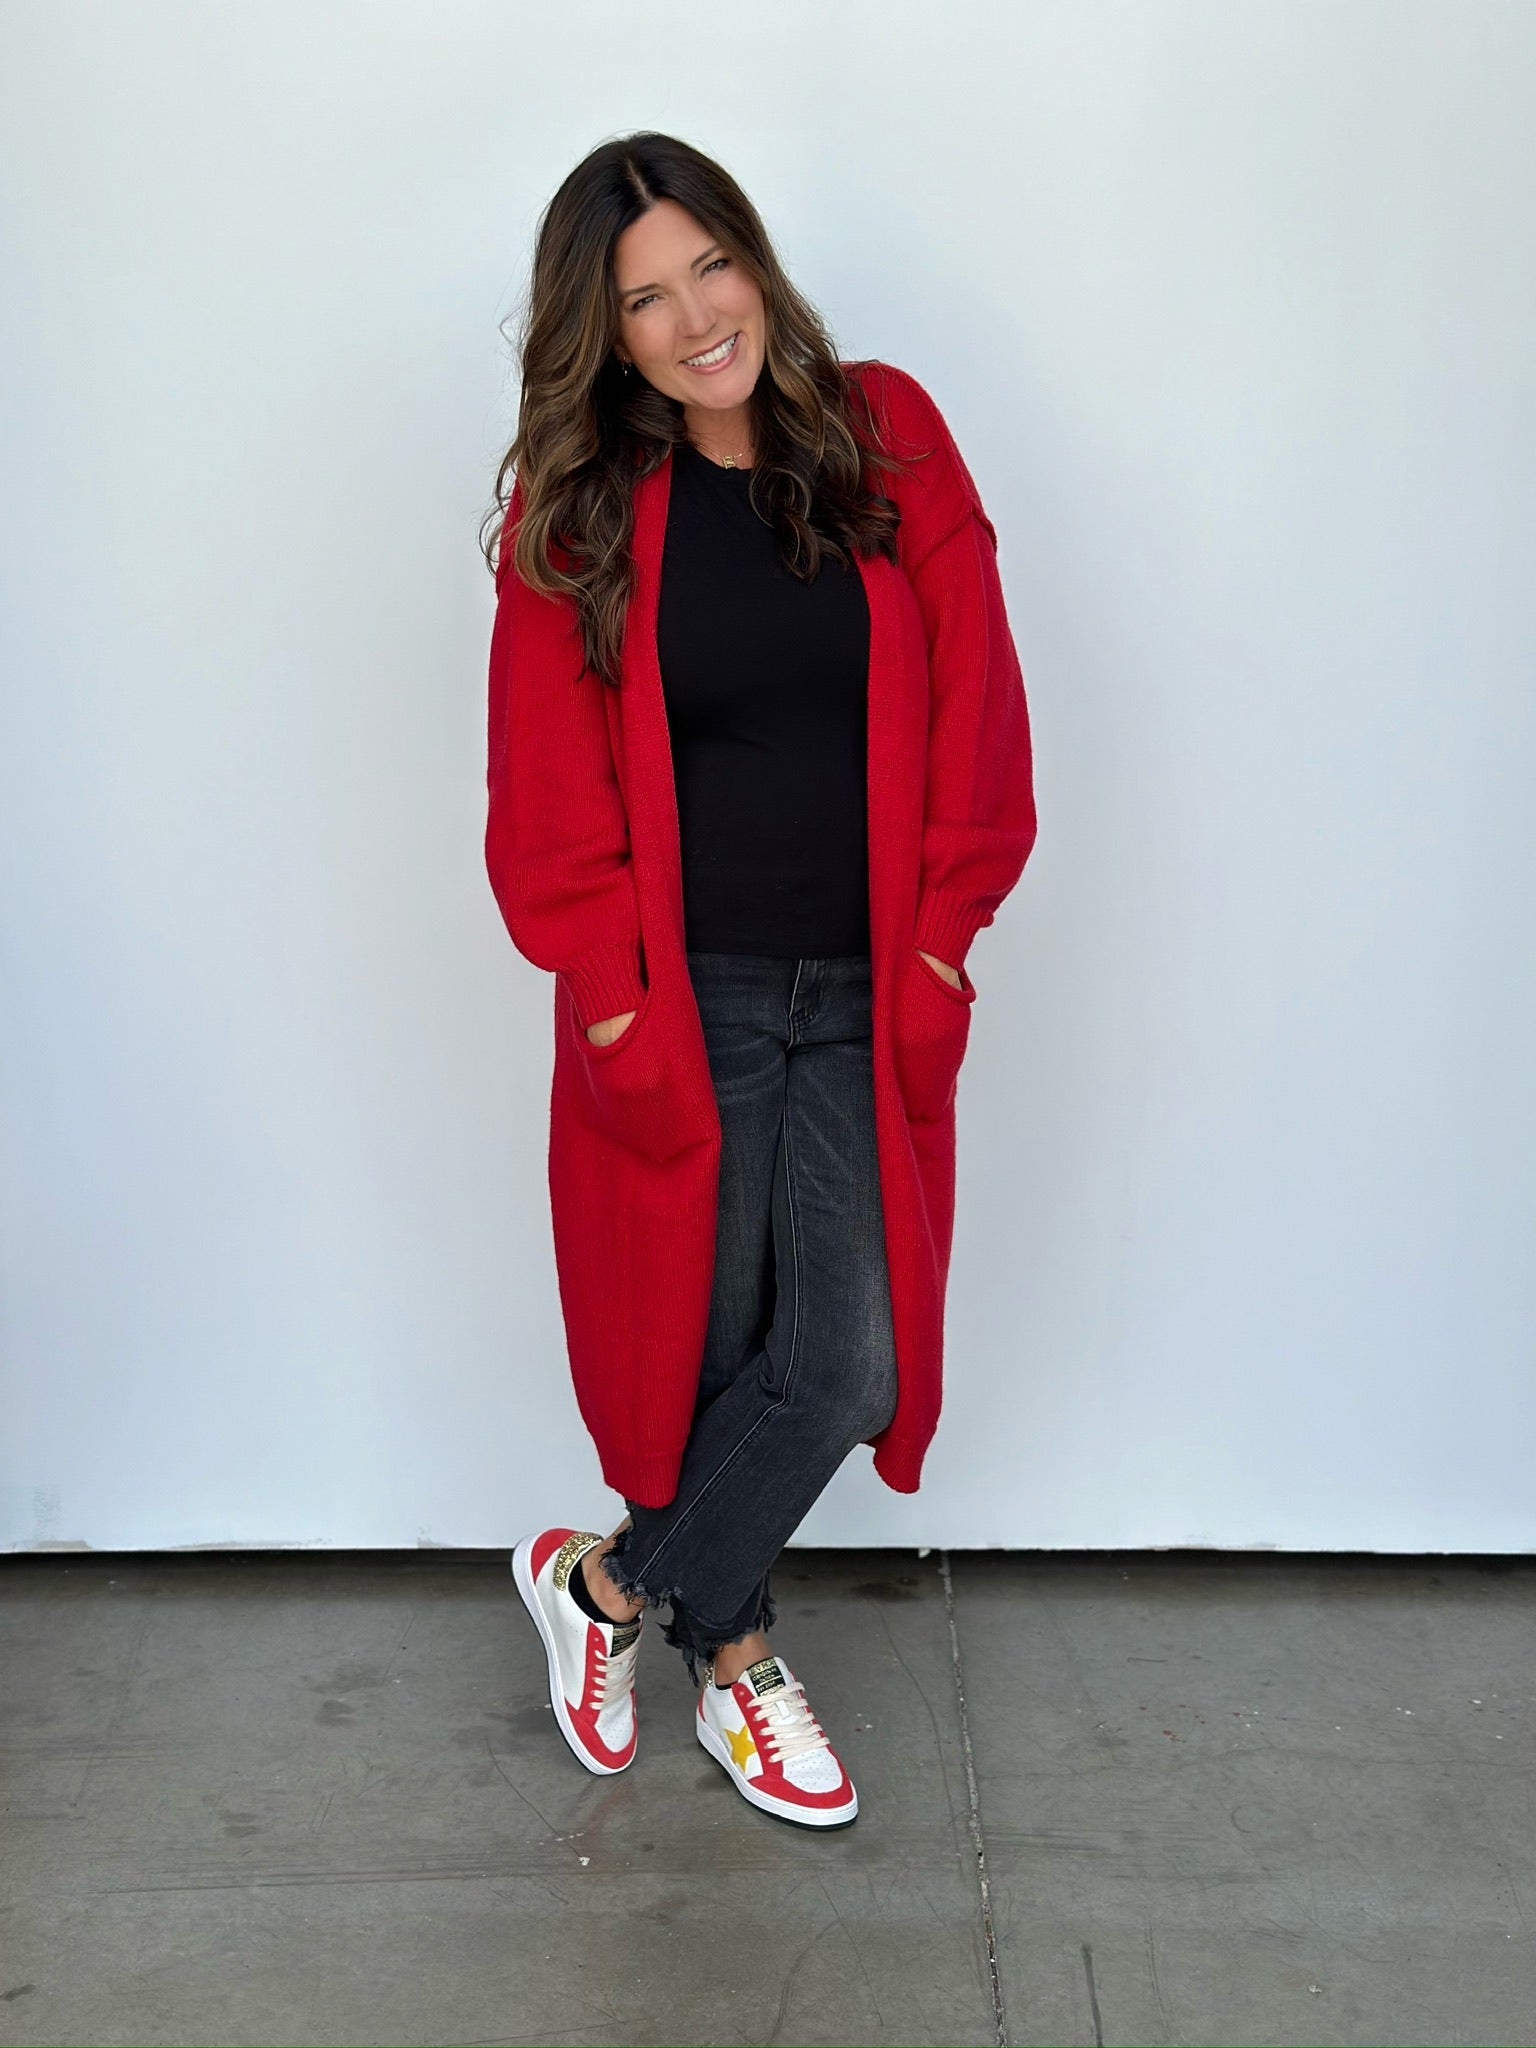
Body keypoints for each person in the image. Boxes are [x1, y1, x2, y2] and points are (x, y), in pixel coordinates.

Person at [483, 132, 1037, 1830]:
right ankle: (736, 1667)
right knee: (709, 1351)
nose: (695, 317)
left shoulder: (888, 433)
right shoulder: (582, 511)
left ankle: (602, 1584)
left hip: (869, 987)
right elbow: (544, 796)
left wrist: (940, 936)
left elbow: (981, 704)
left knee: (846, 1363)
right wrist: (615, 1000)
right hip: (692, 998)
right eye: (645, 299)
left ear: (756, 258)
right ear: (607, 334)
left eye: (709, 265)